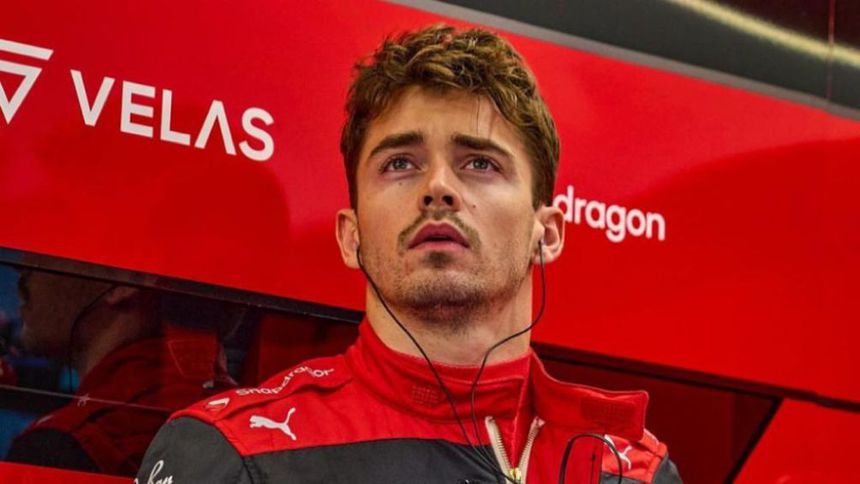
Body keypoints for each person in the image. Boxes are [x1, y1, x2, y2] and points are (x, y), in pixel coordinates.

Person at [136, 25, 682, 483]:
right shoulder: (231, 455)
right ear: (351, 236)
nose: (438, 187)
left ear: (549, 233)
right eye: (400, 163)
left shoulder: (633, 471)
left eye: (480, 163)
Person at [6, 269, 235, 476]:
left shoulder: (61, 448)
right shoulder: (237, 426)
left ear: (125, 281)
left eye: (41, 256)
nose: (22, 274)